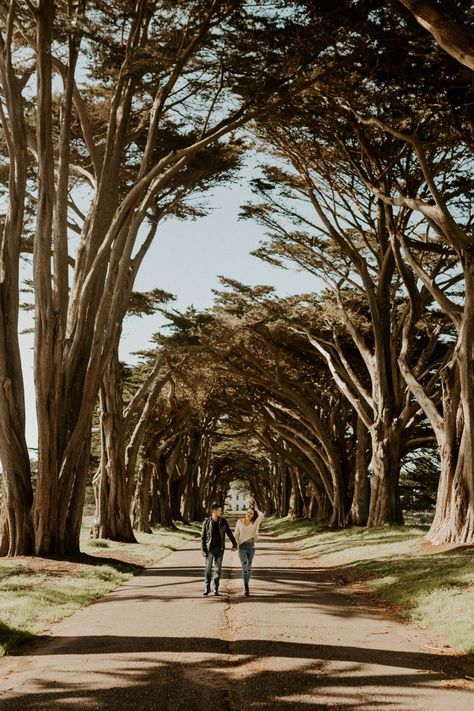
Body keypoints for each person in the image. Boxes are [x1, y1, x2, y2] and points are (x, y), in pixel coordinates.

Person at [201, 503, 237, 596]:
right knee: (208, 569)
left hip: (220, 549)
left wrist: (234, 544)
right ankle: (207, 587)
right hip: (209, 549)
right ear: (214, 511)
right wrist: (203, 549)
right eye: (219, 510)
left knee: (217, 569)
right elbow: (203, 537)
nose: (221, 512)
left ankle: (215, 589)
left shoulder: (223, 522)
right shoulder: (206, 522)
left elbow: (229, 533)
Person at [234, 504, 264, 597]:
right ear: (245, 513)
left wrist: (255, 509)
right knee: (245, 566)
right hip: (242, 546)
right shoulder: (239, 522)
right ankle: (246, 586)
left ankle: (246, 586)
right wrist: (236, 544)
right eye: (248, 512)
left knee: (249, 567)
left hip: (251, 546)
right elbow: (236, 534)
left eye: (251, 513)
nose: (249, 514)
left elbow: (261, 515)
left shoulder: (255, 522)